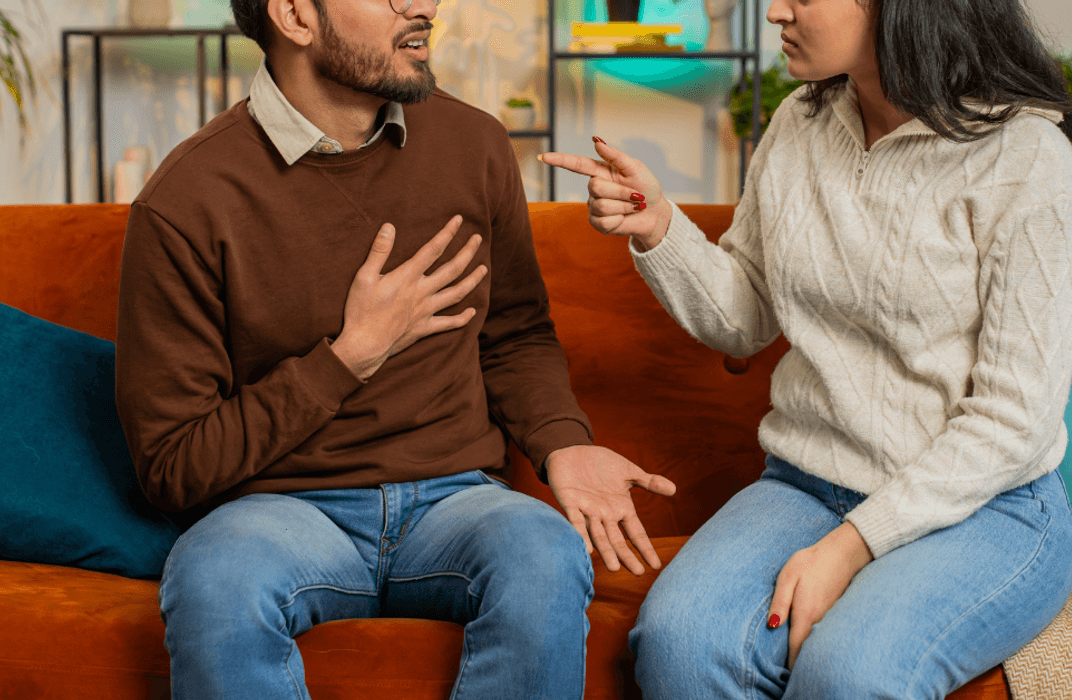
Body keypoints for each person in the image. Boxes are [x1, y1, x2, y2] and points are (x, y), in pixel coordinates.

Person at [115, 1, 676, 698]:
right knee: (213, 578)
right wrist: (348, 357)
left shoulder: (473, 143)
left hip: (456, 499)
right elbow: (173, 466)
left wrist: (562, 442)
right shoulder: (187, 200)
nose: (423, 4)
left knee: (542, 552)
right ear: (294, 15)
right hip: (282, 512)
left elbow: (514, 333)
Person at [540, 0, 1072, 695]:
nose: (775, 10)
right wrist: (659, 229)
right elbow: (742, 317)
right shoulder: (797, 124)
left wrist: (850, 545)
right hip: (806, 484)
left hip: (986, 506)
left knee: (848, 672)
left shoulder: (1024, 159)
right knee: (679, 643)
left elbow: (1015, 422)